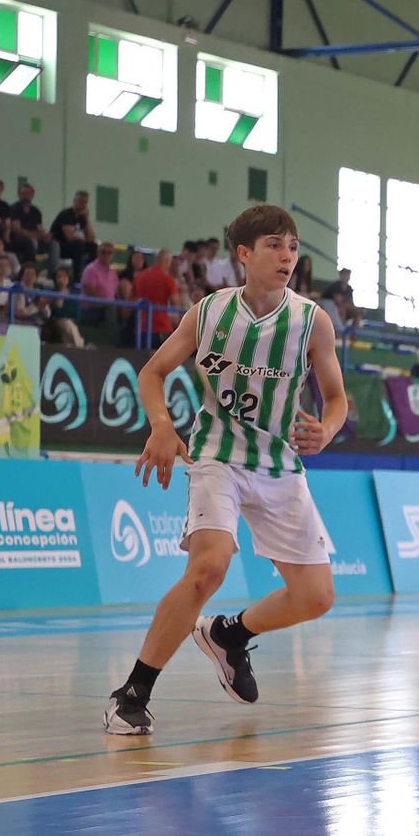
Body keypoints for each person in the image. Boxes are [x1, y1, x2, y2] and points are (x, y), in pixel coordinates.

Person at [103, 205, 349, 736]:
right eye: (274, 245)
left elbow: (336, 399)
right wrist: (162, 426)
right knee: (208, 568)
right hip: (217, 455)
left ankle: (229, 635)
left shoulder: (311, 321)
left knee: (317, 597)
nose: (287, 256)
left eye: (292, 246)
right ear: (244, 254)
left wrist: (327, 430)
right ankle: (133, 692)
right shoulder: (209, 313)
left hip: (280, 464)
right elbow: (152, 373)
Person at [50, 190, 96, 277]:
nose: (83, 205)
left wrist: (87, 219)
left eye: (85, 202)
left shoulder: (82, 217)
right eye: (81, 201)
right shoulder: (66, 214)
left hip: (75, 246)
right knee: (79, 245)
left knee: (93, 247)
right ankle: (77, 276)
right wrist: (84, 239)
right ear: (75, 201)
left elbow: (91, 238)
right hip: (59, 246)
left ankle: (90, 274)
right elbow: (70, 237)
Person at [9, 183, 45, 264]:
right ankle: (29, 265)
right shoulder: (14, 209)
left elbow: (40, 228)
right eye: (24, 193)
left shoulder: (36, 211)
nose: (26, 196)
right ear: (19, 195)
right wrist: (32, 235)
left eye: (29, 193)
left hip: (33, 236)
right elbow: (16, 229)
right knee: (29, 242)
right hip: (16, 238)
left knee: (53, 243)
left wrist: (45, 235)